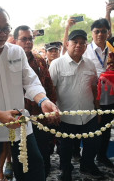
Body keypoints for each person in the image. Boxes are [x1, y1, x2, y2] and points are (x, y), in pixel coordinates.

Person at [0, 6, 60, 181]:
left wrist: (43, 101)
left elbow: (30, 81)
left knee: (34, 170)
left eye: (6, 28)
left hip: (20, 124)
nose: (2, 34)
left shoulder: (17, 51)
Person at [49, 30, 103, 180]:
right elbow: (51, 89)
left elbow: (94, 88)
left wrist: (97, 109)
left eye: (82, 43)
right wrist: (54, 110)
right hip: (66, 115)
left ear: (86, 46)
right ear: (67, 44)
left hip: (88, 114)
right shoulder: (56, 64)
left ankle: (87, 165)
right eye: (75, 42)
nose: (79, 45)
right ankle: (66, 169)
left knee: (92, 142)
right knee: (65, 147)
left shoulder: (90, 64)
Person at [12, 25, 57, 178]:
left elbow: (48, 85)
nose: (28, 42)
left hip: (40, 117)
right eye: (24, 39)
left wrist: (51, 106)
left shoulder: (39, 60)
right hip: (19, 119)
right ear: (15, 40)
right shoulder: (9, 61)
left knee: (42, 156)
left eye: (30, 39)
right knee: (21, 157)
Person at [82, 18, 114, 169]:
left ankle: (102, 157)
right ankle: (87, 161)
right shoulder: (85, 50)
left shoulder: (112, 49)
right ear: (92, 33)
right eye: (97, 31)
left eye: (103, 31)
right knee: (92, 131)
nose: (100, 34)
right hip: (92, 97)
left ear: (108, 33)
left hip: (110, 97)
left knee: (106, 129)